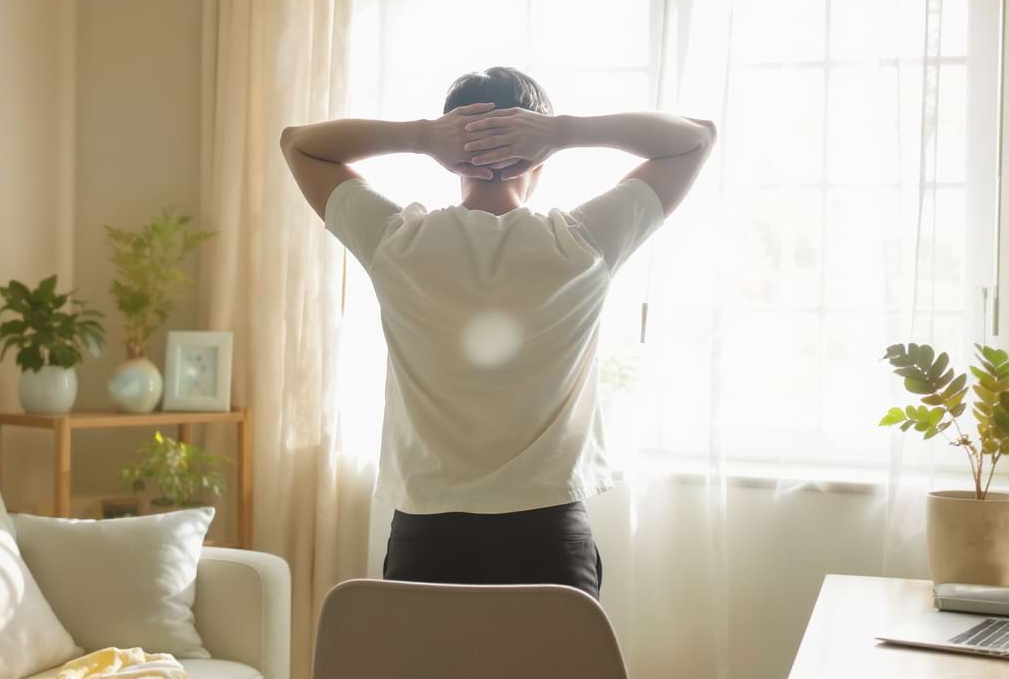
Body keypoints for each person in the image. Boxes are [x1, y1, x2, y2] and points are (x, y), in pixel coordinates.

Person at [280, 67, 716, 600]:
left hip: (427, 534)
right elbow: (697, 137)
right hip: (549, 532)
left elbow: (298, 144)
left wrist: (420, 137)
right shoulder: (581, 244)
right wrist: (562, 133)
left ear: (451, 155)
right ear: (536, 157)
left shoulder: (396, 242)